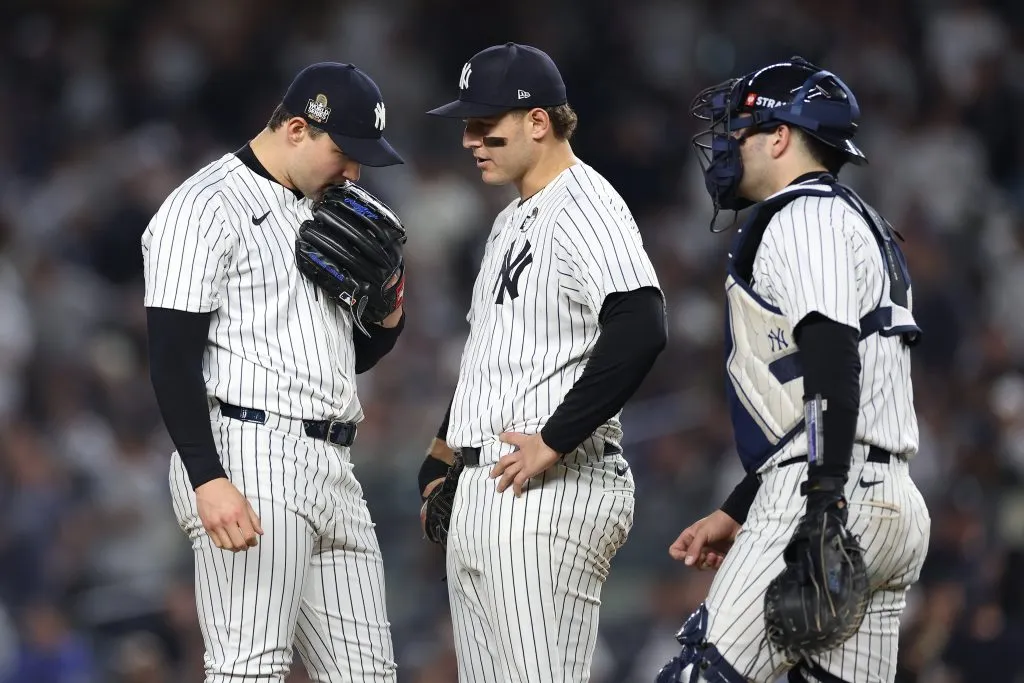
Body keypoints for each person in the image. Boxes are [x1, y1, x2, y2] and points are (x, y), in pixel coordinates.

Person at [658, 56, 931, 683]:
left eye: (742, 130)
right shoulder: (857, 221)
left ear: (780, 137)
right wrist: (740, 504)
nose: (728, 144)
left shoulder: (804, 217)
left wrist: (823, 500)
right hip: (892, 505)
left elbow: (833, 363)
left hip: (826, 490)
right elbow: (827, 394)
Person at [142, 61, 406, 682]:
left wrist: (390, 305)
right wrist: (208, 478)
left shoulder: (327, 208)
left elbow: (353, 355)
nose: (354, 172)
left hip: (335, 462)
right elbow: (170, 356)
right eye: (343, 152)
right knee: (249, 669)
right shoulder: (204, 206)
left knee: (369, 676)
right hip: (249, 451)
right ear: (295, 129)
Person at [419, 42, 668, 683]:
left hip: (548, 491)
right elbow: (490, 351)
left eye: (485, 125)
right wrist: (443, 452)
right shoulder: (510, 219)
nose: (471, 140)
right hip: (488, 487)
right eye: (467, 126)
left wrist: (555, 441)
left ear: (538, 122)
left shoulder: (586, 203)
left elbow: (640, 325)